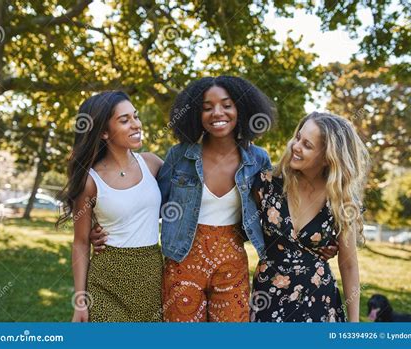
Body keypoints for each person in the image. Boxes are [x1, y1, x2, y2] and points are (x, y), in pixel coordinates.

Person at [156, 76, 276, 322]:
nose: (217, 113)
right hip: (182, 260)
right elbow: (151, 206)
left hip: (231, 264)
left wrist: (318, 244)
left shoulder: (258, 159)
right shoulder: (179, 156)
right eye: (207, 108)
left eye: (226, 105)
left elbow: (275, 212)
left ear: (240, 109)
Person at [250, 112, 370, 322]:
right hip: (267, 299)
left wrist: (354, 324)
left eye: (307, 145)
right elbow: (238, 227)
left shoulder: (340, 200)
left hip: (318, 304)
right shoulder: (267, 183)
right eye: (297, 138)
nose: (296, 146)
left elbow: (349, 264)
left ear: (326, 158)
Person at [57, 91, 164, 322]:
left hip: (152, 278)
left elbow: (188, 197)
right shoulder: (89, 182)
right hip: (106, 283)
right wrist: (80, 301)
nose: (136, 124)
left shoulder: (152, 164)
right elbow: (81, 242)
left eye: (135, 116)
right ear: (104, 132)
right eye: (124, 120)